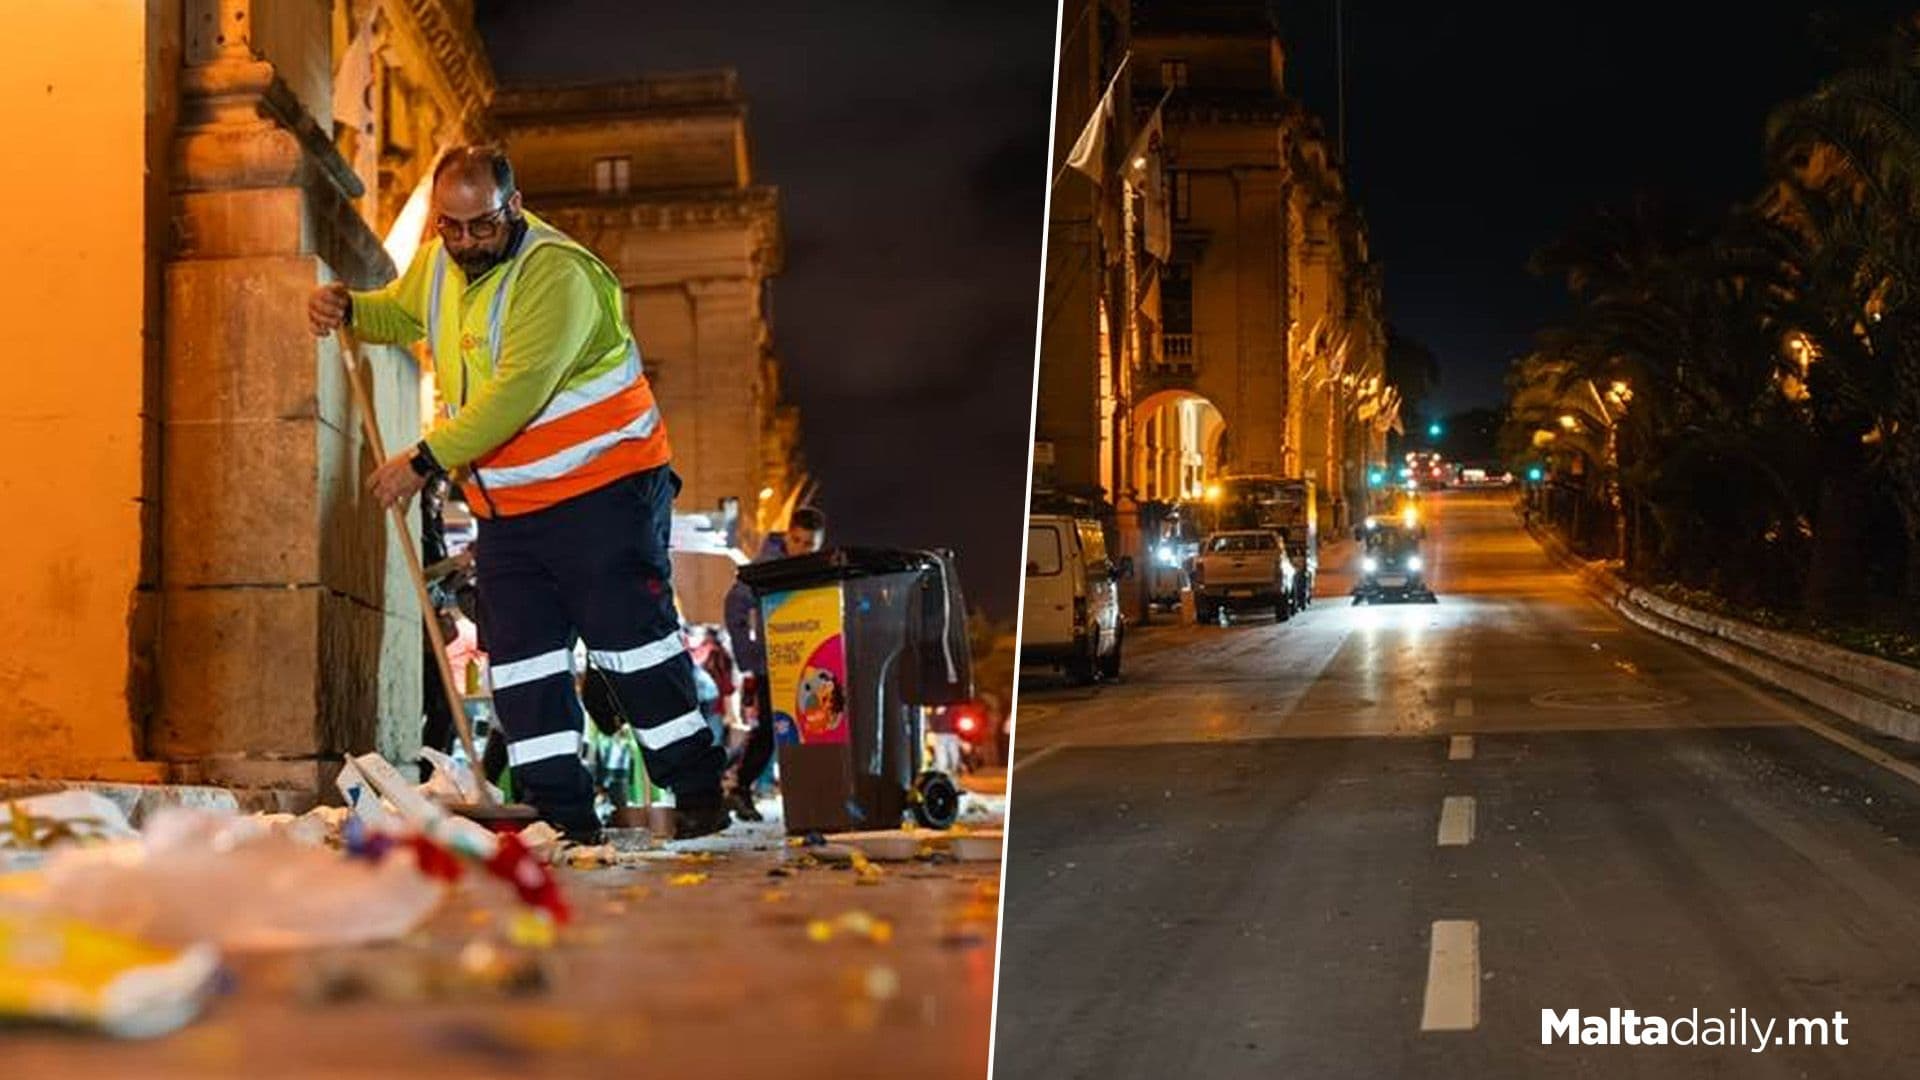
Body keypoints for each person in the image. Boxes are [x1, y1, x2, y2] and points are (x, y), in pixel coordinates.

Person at [308, 146, 727, 842]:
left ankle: (697, 788)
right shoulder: (441, 264)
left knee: (634, 648)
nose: (467, 242)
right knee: (523, 661)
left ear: (515, 205)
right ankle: (560, 815)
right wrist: (351, 308)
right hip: (511, 512)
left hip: (606, 491)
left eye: (483, 226)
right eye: (453, 227)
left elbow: (519, 394)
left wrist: (426, 458)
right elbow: (402, 316)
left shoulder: (557, 274)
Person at [721, 507, 827, 821]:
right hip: (777, 664)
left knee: (813, 728)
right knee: (771, 730)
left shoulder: (818, 566)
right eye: (798, 540)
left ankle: (812, 794)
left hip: (813, 662)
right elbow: (735, 605)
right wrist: (751, 653)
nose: (803, 549)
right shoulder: (767, 566)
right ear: (788, 535)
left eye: (810, 544)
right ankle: (739, 786)